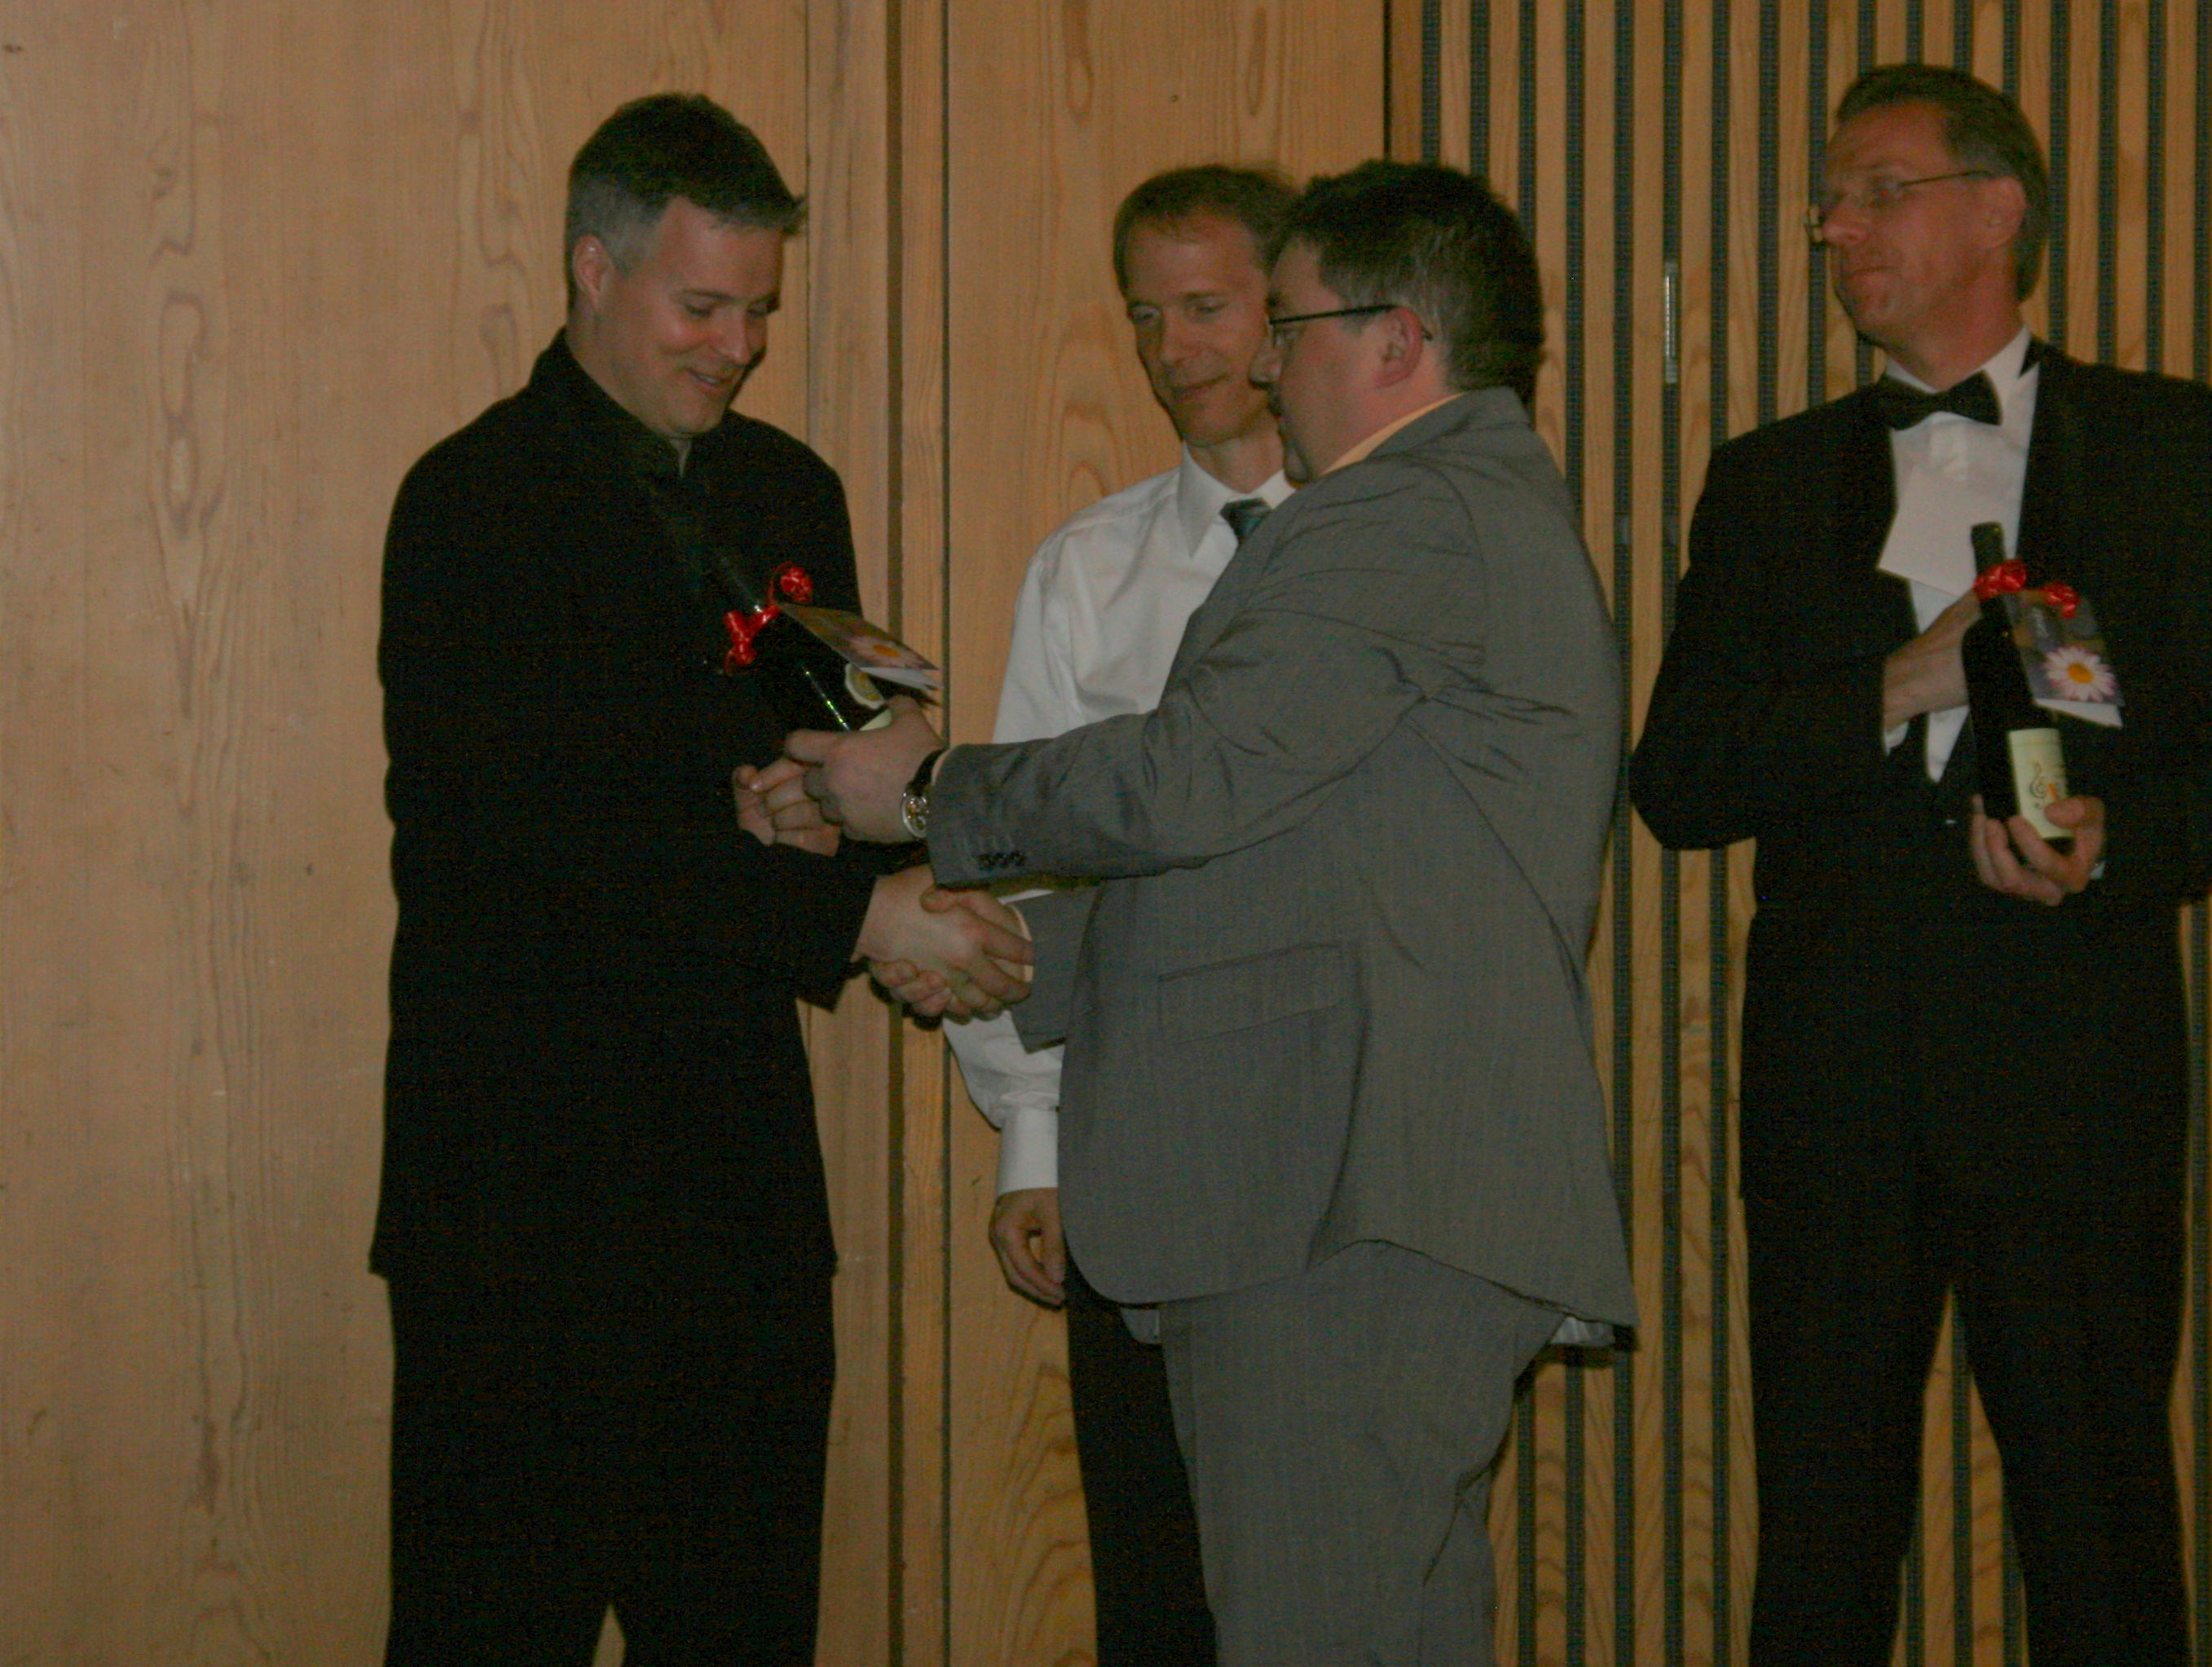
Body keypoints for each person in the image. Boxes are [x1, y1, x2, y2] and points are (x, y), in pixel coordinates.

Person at [787, 160, 1638, 1666]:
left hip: (1345, 1204)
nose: (1259, 365)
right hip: (1343, 1195)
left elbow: (1192, 776)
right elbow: (1289, 869)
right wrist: (1004, 949)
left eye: (1285, 327)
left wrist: (928, 793)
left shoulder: (1405, 512)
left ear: (1395, 342)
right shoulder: (1443, 514)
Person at [1628, 64, 2212, 1665]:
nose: (1833, 226)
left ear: (1999, 209)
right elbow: (1679, 781)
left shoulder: (2176, 445)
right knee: (1820, 1538)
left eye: (1876, 189)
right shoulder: (1767, 477)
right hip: (1833, 1083)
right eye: (1828, 198)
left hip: (2075, 1073)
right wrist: (1896, 683)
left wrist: (2116, 846)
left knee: (2102, 1529)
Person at [375, 91, 1029, 1665]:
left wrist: (878, 847)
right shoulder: (470, 503)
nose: (738, 346)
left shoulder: (790, 490)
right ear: (592, 269)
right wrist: (850, 911)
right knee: (487, 1637)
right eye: (702, 307)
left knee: (739, 1635)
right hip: (519, 1212)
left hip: (736, 1203)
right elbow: (540, 842)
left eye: (759, 309)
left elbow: (839, 771)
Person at [950, 163, 1301, 1665]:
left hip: (1344, 1148)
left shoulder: (1392, 551)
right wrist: (1033, 1139)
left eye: (1206, 306)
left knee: (1336, 1582)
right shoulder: (1089, 570)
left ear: (1293, 308)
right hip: (1140, 1143)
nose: (1171, 350)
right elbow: (1021, 877)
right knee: (1156, 1590)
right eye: (1147, 316)